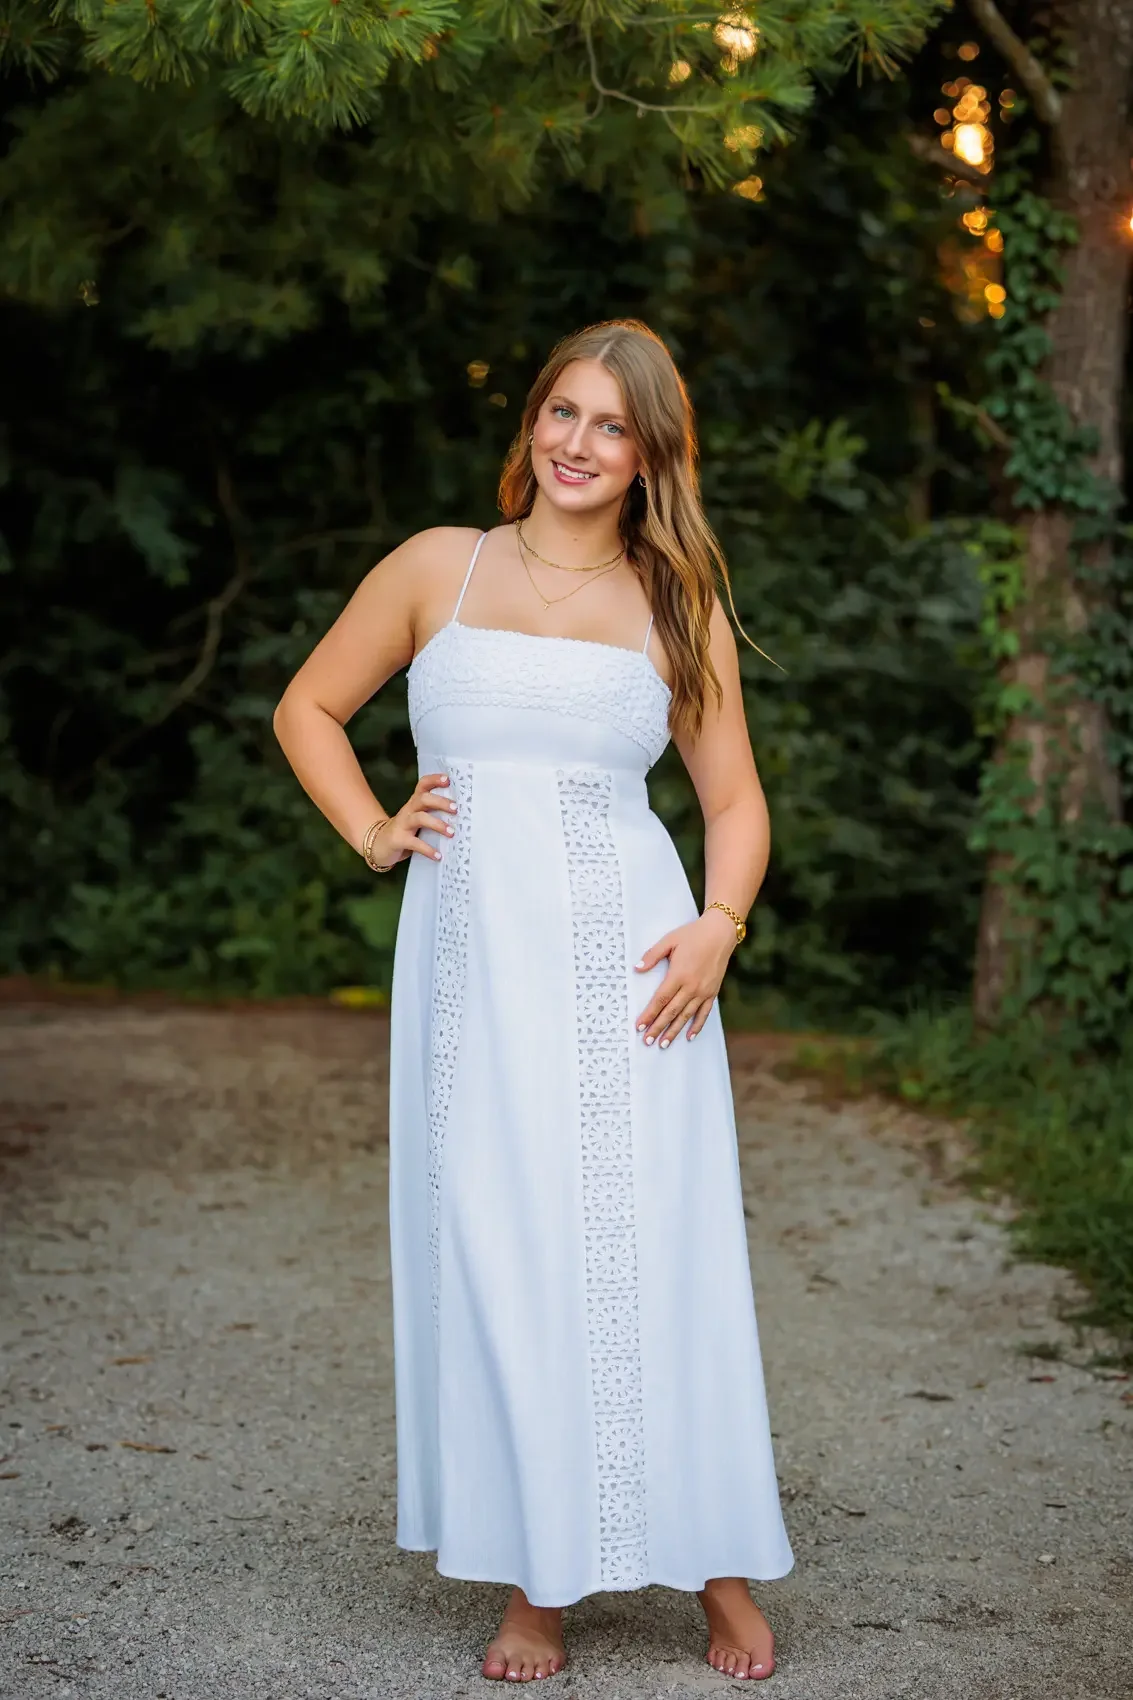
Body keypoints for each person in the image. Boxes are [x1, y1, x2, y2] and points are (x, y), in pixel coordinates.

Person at [273, 319, 794, 1683]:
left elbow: (735, 803)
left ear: (650, 455)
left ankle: (720, 1569)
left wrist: (720, 930)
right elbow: (307, 709)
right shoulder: (437, 568)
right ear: (532, 425)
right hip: (471, 982)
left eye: (612, 426)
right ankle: (538, 1587)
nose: (580, 443)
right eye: (564, 412)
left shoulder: (676, 603)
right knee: (502, 1258)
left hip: (637, 979)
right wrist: (374, 830)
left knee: (655, 1252)